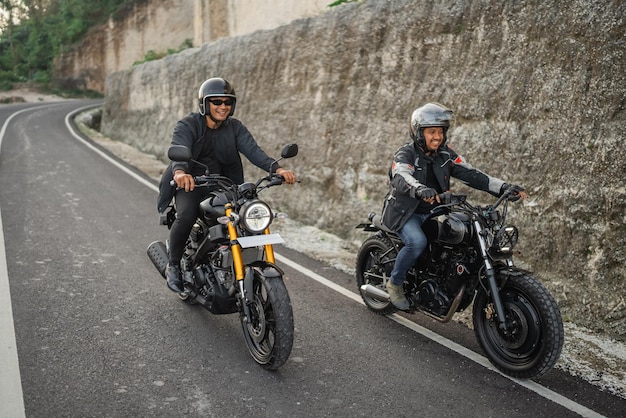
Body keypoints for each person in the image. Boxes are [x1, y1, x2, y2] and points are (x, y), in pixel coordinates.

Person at [381, 102, 526, 310]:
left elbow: (473, 175)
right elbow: (401, 175)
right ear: (418, 132)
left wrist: (503, 187)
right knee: (416, 241)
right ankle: (395, 284)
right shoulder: (406, 154)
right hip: (406, 213)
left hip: (436, 210)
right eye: (432, 132)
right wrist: (420, 189)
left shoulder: (445, 154)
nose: (437, 137)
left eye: (440, 132)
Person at [157, 77, 296, 293]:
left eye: (227, 102)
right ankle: (174, 265)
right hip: (192, 183)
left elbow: (254, 151)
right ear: (205, 104)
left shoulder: (235, 128)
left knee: (243, 215)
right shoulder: (189, 124)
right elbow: (179, 148)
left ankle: (235, 263)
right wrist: (181, 172)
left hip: (224, 183)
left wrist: (277, 169)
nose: (223, 107)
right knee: (186, 214)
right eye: (217, 102)